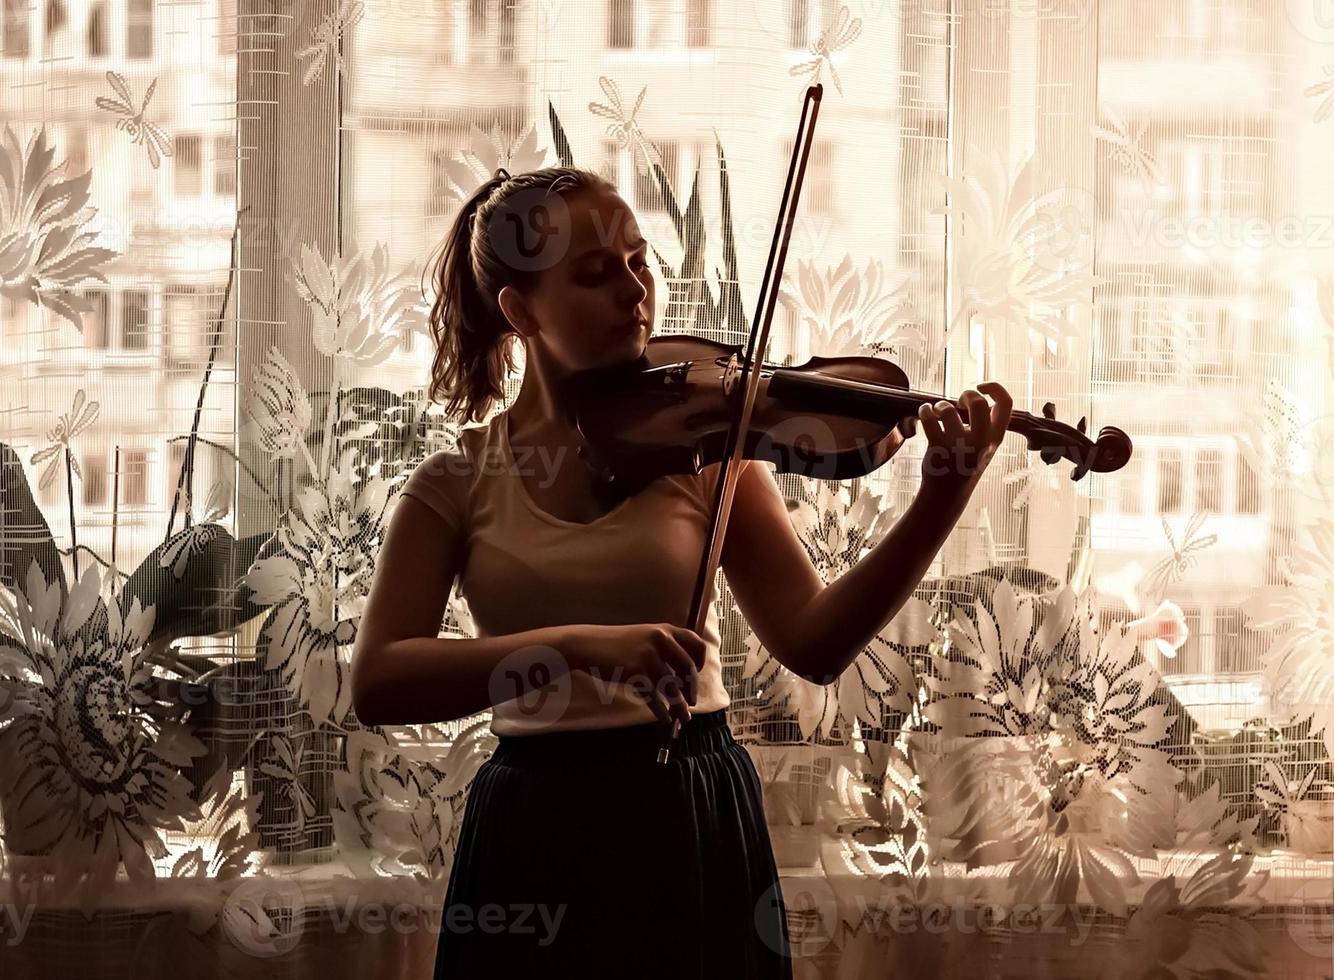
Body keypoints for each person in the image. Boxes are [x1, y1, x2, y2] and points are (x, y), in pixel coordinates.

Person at [350, 165, 1012, 979]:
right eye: (594, 274)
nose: (633, 291)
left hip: (688, 806)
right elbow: (379, 680)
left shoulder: (707, 449)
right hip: (536, 819)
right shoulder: (455, 482)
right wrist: (580, 648)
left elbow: (815, 642)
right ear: (519, 312)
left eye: (639, 261)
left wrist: (942, 498)